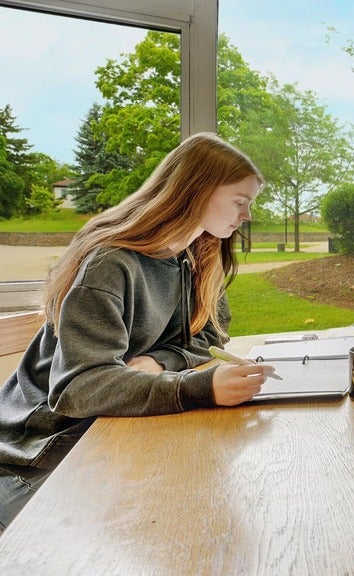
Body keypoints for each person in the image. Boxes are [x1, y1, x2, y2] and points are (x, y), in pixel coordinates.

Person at [0, 132, 276, 532]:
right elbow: (78, 387)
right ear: (196, 191)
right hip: (34, 458)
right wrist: (197, 389)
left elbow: (212, 334)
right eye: (239, 201)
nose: (247, 215)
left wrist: (159, 361)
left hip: (104, 438)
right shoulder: (109, 265)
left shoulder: (195, 255)